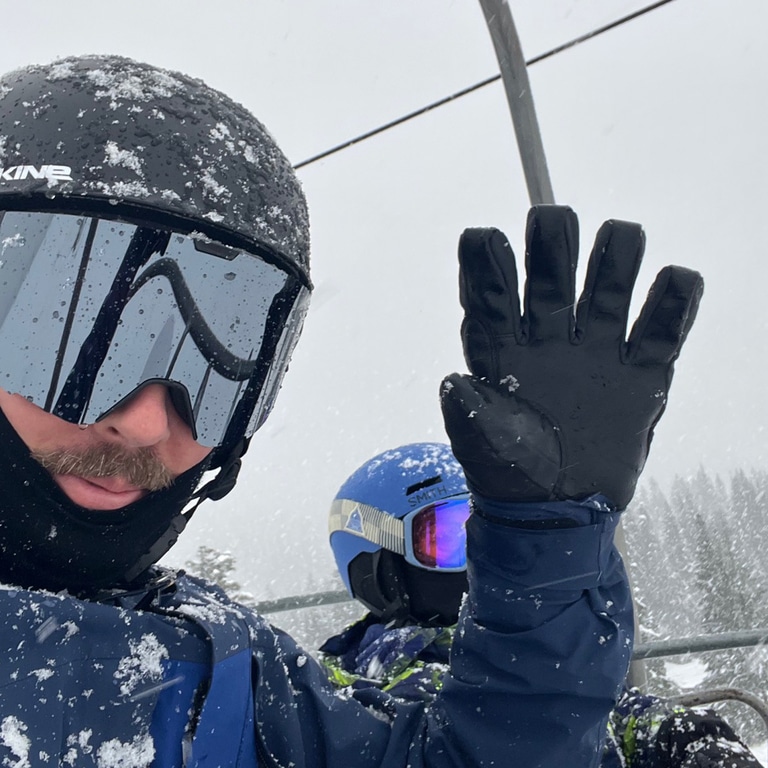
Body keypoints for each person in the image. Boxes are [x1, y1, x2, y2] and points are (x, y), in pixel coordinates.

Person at [0, 52, 704, 767]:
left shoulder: (230, 669)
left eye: (210, 373)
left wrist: (548, 552)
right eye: (68, 344)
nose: (150, 424)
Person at [322, 442, 762, 768]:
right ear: (375, 567)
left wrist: (681, 734)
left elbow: (596, 708)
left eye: (490, 536)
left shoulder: (519, 638)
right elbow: (500, 730)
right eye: (452, 536)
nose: (481, 559)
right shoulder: (348, 694)